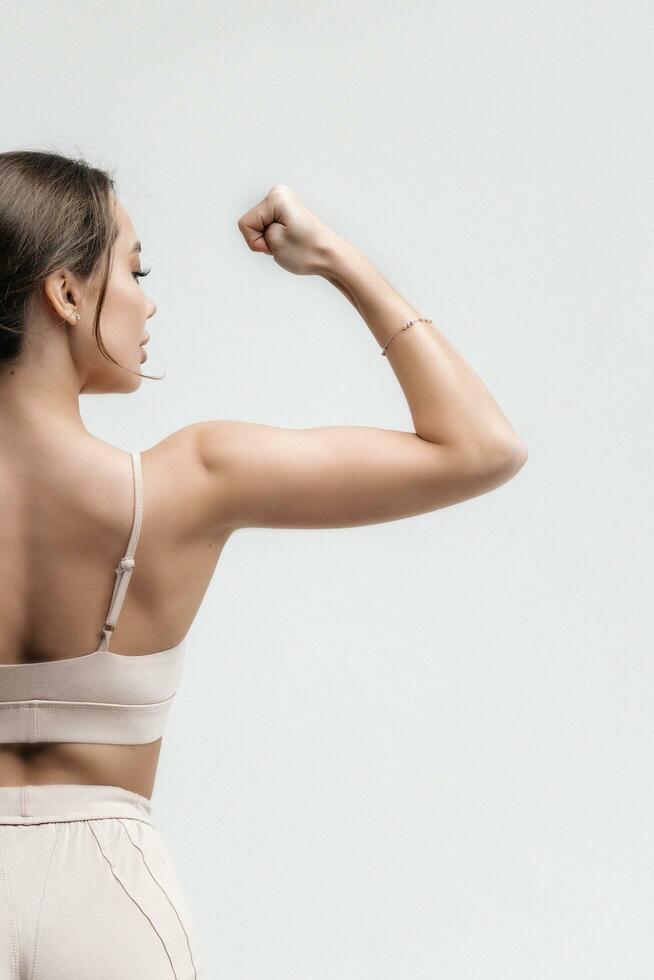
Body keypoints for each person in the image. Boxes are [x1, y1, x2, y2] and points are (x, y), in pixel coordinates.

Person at [0, 150, 527, 979]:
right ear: (65, 294)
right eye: (134, 270)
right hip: (112, 904)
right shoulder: (192, 481)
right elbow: (482, 447)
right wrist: (337, 259)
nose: (148, 300)